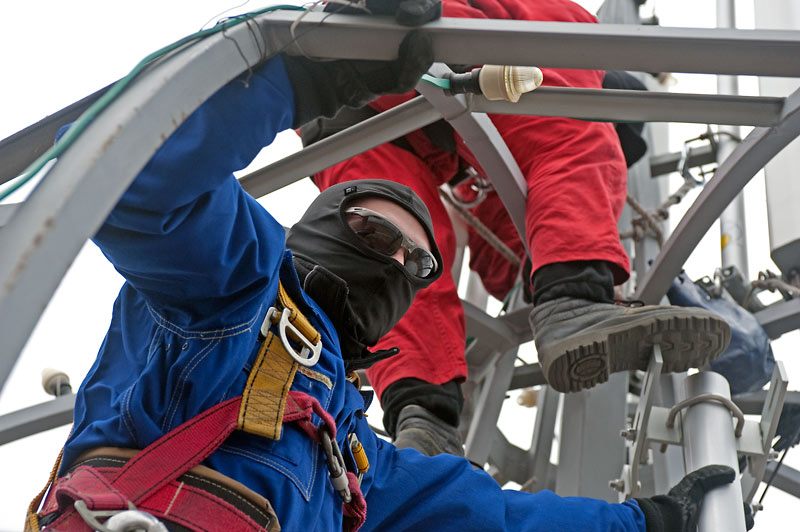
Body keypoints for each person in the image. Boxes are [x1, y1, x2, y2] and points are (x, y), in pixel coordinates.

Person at [26, 3, 739, 532]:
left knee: (433, 253)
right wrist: (302, 77)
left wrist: (645, 522)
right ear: (313, 232)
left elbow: (489, 518)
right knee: (571, 137)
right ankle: (569, 302)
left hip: (367, 106)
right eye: (368, 233)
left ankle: (425, 408)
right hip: (380, 77)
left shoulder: (353, 455)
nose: (395, 262)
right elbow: (134, 184)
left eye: (414, 262)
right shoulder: (230, 288)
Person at [302, 0, 731, 457]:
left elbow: (505, 245)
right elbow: (562, 148)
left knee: (394, 252)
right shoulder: (565, 33)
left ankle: (425, 419)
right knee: (572, 128)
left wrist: (537, 276)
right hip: (430, 36)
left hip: (334, 92)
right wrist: (578, 283)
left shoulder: (478, 167)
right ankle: (575, 303)